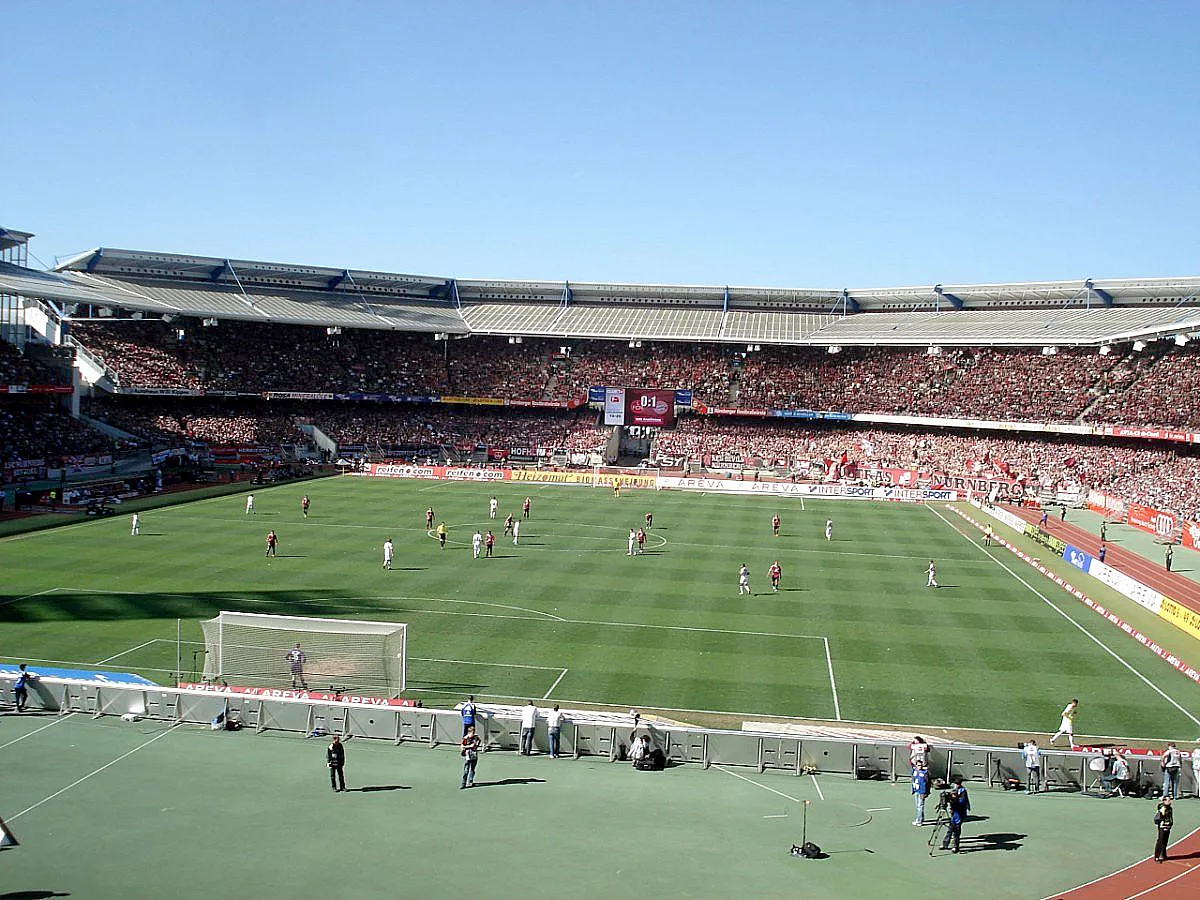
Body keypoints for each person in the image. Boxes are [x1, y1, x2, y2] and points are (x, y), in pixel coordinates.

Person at [940, 778, 971, 854]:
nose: (955, 785)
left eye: (957, 784)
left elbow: (962, 802)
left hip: (959, 814)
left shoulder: (963, 792)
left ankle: (955, 846)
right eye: (955, 784)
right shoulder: (953, 790)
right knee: (950, 829)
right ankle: (945, 844)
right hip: (954, 814)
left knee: (956, 831)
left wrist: (954, 800)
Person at [1153, 796, 1174, 862]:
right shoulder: (1162, 808)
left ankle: (1163, 854)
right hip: (1163, 826)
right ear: (1164, 801)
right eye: (1168, 800)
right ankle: (1157, 856)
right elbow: (1158, 817)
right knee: (1160, 841)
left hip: (1168, 826)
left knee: (1165, 841)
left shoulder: (1170, 808)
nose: (1170, 801)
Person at [912, 761, 931, 826]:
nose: (920, 766)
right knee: (918, 806)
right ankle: (920, 818)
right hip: (916, 790)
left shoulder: (925, 773)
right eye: (918, 765)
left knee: (920, 806)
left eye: (921, 765)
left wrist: (926, 792)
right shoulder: (914, 771)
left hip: (922, 792)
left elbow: (928, 783)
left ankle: (919, 821)